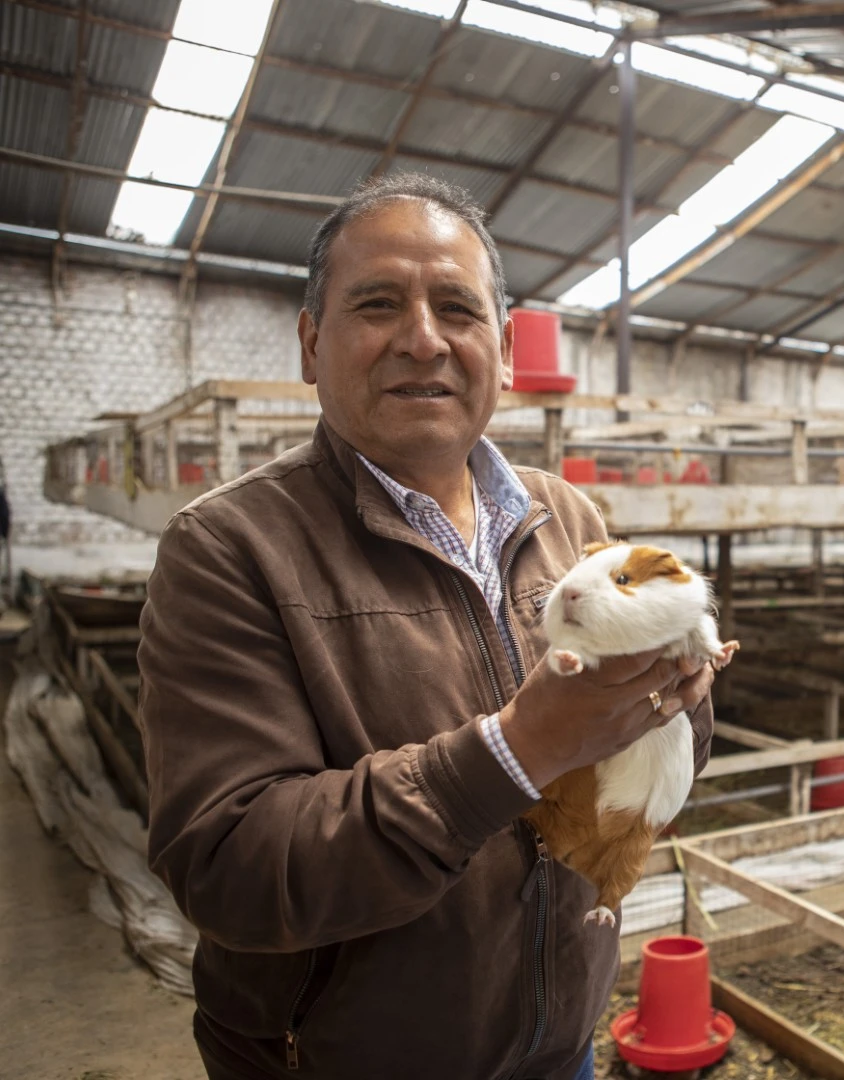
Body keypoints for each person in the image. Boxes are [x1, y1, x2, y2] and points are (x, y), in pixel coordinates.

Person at [137, 172, 715, 1080]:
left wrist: (680, 696)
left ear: (503, 350)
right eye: (377, 304)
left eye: (458, 308)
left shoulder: (567, 518)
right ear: (310, 341)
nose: (423, 339)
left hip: (559, 1051)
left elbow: (640, 761)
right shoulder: (228, 548)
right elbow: (228, 867)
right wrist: (513, 752)